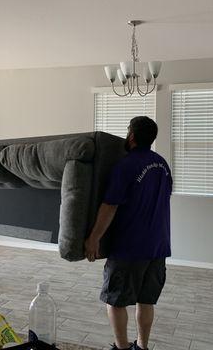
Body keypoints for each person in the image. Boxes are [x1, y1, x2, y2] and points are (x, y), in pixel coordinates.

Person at [85, 116, 172, 350]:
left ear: (131, 136)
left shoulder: (125, 165)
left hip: (129, 247)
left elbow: (110, 205)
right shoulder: (162, 164)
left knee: (115, 301)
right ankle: (142, 346)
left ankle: (122, 347)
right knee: (146, 300)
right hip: (158, 245)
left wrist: (93, 238)